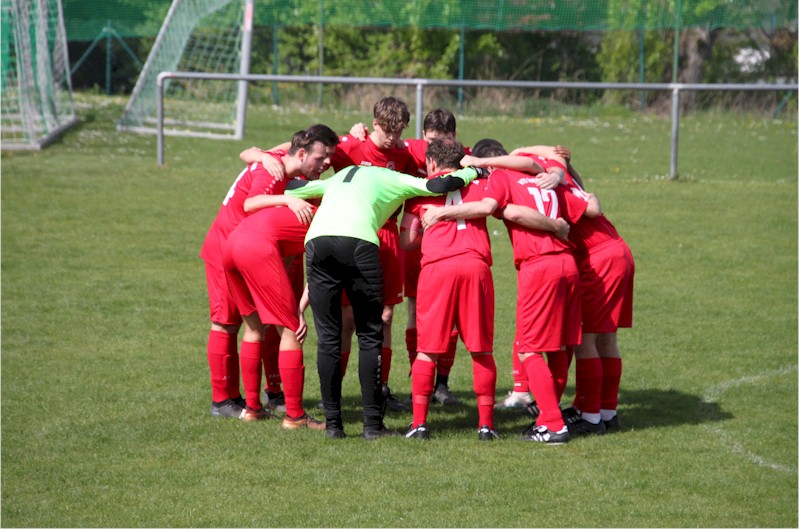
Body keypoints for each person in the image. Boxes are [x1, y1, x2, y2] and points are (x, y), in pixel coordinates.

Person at [284, 149, 483, 440]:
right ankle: (372, 426)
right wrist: (474, 172)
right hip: (358, 243)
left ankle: (334, 427)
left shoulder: (341, 175)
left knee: (328, 337)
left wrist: (285, 194)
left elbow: (293, 186)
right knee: (369, 334)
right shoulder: (391, 177)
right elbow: (438, 185)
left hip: (317, 243)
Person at [422, 139, 595, 444]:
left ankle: (553, 424)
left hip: (539, 266)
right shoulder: (537, 175)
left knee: (529, 348)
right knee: (559, 346)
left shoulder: (501, 178)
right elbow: (540, 163)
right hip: (567, 263)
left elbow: (503, 211)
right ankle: (547, 417)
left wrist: (442, 214)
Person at [200, 125, 338, 420]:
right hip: (227, 243)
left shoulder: (283, 159)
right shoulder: (273, 170)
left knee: (261, 324)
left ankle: (264, 398)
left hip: (253, 247)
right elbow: (250, 204)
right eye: (321, 158)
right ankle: (223, 399)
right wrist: (287, 199)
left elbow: (257, 151)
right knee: (226, 322)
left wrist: (256, 153)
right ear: (302, 153)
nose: (325, 165)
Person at [509, 145, 635, 435]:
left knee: (584, 341)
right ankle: (606, 411)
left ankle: (590, 417)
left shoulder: (553, 188)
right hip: (618, 252)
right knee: (606, 340)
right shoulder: (562, 177)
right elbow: (573, 174)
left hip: (598, 259)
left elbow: (592, 207)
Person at [399, 139, 501, 440]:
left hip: (437, 269)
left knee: (427, 351)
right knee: (481, 349)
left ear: (431, 163)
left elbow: (406, 241)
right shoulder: (480, 185)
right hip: (475, 267)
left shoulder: (420, 190)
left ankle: (419, 424)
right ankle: (485, 426)